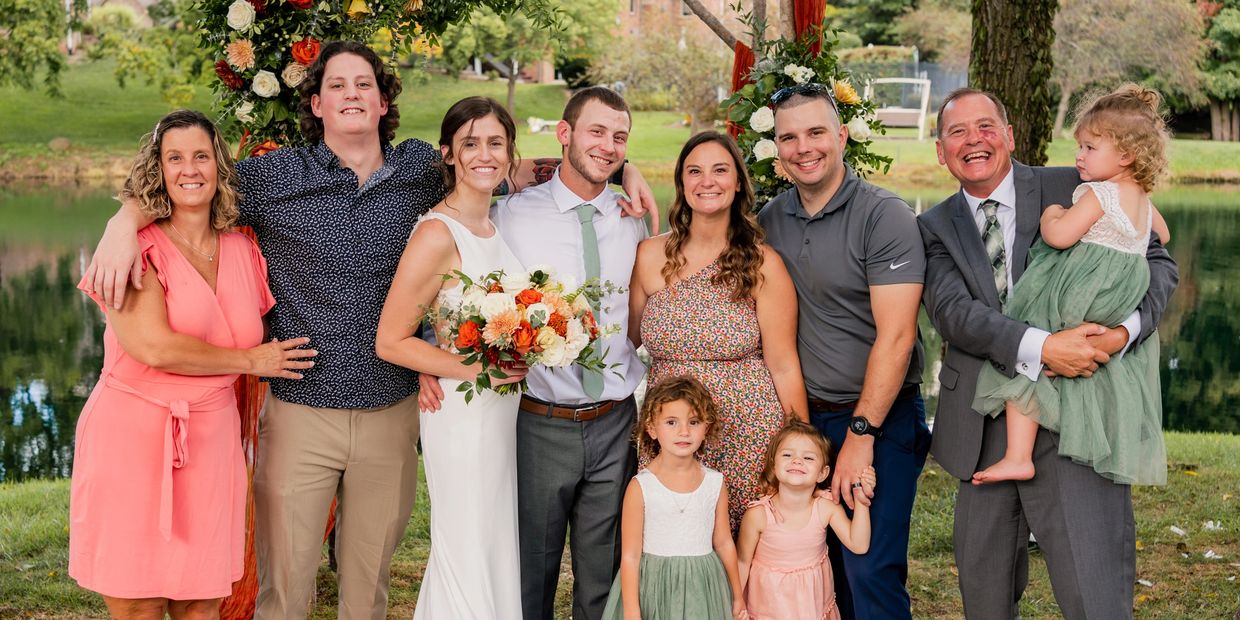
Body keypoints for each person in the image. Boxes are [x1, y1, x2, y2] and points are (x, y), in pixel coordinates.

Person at [84, 43, 654, 619]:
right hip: (300, 410)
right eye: (337, 85)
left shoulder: (419, 172)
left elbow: (508, 166)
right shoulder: (274, 176)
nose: (352, 94)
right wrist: (124, 220)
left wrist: (624, 169)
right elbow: (192, 180)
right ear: (317, 103)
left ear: (383, 102)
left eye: (364, 85)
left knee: (368, 587)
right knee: (285, 590)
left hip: (391, 413)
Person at [919, 87, 1178, 619]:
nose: (975, 141)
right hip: (981, 425)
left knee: (1095, 594)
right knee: (985, 599)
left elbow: (1158, 263)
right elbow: (953, 314)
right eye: (957, 132)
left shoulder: (1079, 183)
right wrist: (1043, 347)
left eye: (987, 126)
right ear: (941, 150)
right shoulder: (932, 227)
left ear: (1010, 136)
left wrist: (1122, 333)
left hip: (1082, 415)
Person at [69, 109, 315, 619]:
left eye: (201, 156)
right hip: (134, 434)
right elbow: (154, 347)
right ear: (157, 170)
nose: (189, 169)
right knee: (138, 601)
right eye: (174, 157)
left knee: (202, 600)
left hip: (212, 437)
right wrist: (251, 360)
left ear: (220, 166)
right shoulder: (133, 249)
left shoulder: (244, 248)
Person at [418, 86, 647, 620]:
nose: (608, 146)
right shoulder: (511, 216)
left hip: (617, 419)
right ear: (564, 134)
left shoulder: (633, 216)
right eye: (595, 131)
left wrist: (629, 171)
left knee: (604, 571)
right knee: (529, 571)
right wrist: (433, 352)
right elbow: (457, 280)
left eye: (620, 138)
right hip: (537, 420)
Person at [757, 83, 930, 620]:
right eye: (789, 137)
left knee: (868, 567)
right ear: (777, 149)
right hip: (805, 420)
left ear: (842, 136)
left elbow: (897, 337)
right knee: (813, 563)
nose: (804, 147)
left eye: (816, 132)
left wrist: (861, 435)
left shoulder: (885, 217)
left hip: (880, 419)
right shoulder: (770, 219)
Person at [971, 84, 1172, 487]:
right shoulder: (1144, 202)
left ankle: (1017, 454)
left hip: (1080, 290)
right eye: (1079, 146)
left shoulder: (1099, 193)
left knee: (1027, 339)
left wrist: (1052, 214)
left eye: (1089, 148)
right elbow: (1161, 237)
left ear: (1126, 155)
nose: (1078, 156)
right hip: (1116, 297)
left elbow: (1061, 237)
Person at [374, 96, 529, 616]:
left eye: (495, 143)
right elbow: (391, 340)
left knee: (489, 542)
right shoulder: (438, 233)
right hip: (460, 414)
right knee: (464, 547)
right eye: (470, 143)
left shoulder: (493, 223)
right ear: (448, 154)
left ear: (510, 154)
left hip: (498, 412)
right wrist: (482, 369)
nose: (484, 154)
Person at [629, 131, 807, 531]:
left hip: (746, 430)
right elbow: (626, 341)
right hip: (670, 431)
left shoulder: (763, 264)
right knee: (671, 540)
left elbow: (783, 365)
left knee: (741, 550)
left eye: (720, 170)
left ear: (739, 182)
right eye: (695, 171)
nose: (707, 181)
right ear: (682, 184)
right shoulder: (649, 255)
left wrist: (797, 442)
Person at [600, 375, 745, 620]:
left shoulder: (714, 483)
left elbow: (724, 543)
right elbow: (631, 555)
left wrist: (738, 595)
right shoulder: (641, 487)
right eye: (671, 422)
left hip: (704, 588)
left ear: (706, 428)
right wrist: (632, 611)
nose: (684, 432)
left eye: (694, 421)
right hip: (655, 589)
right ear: (652, 428)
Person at [736, 421, 876, 620]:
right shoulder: (758, 515)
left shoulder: (825, 508)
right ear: (774, 466)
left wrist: (861, 497)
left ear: (822, 473)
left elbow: (859, 544)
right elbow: (742, 562)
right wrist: (735, 604)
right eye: (787, 455)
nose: (797, 461)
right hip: (767, 606)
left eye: (808, 457)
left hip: (811, 606)